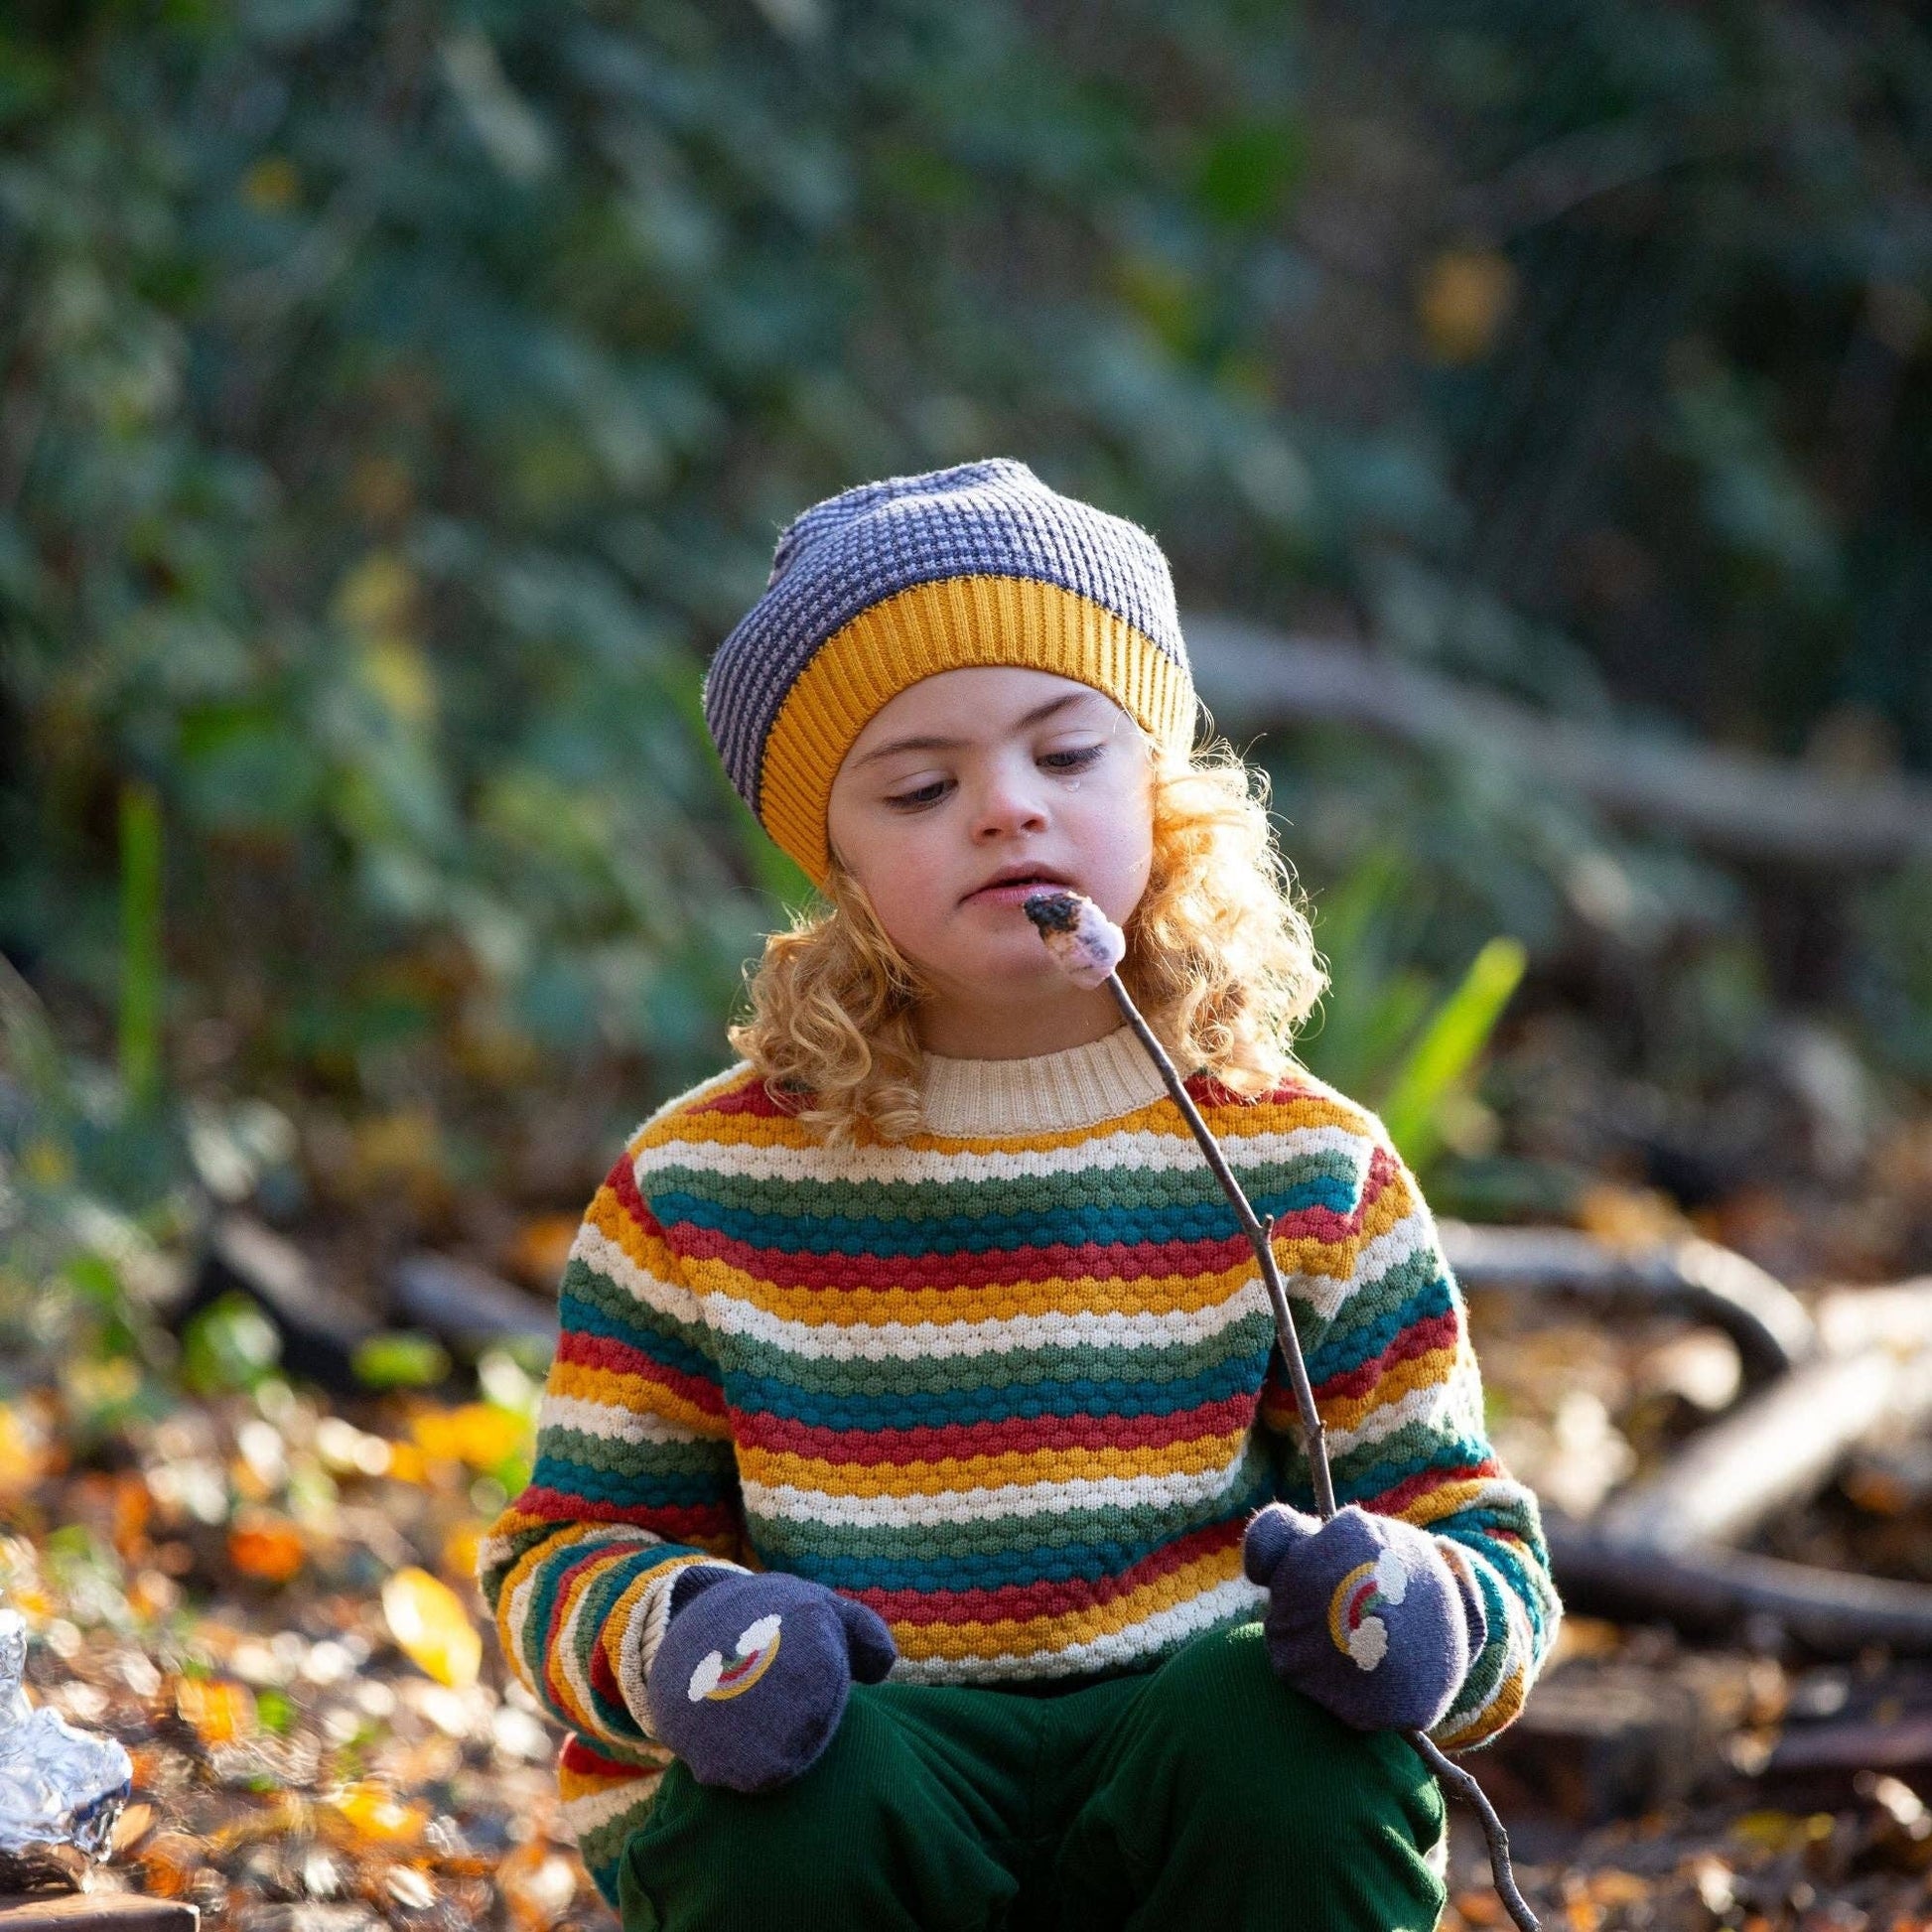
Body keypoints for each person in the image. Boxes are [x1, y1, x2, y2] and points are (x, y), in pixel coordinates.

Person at [479, 459, 1561, 1931]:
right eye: (920, 786)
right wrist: (684, 1634)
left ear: (1160, 792)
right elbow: (563, 1553)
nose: (1004, 808)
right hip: (877, 1768)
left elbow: (1476, 1539)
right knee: (786, 1815)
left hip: (1187, 1802)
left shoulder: (1303, 1164)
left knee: (1286, 1754)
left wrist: (1420, 1606)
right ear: (837, 859)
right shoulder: (704, 1184)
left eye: (1067, 756)